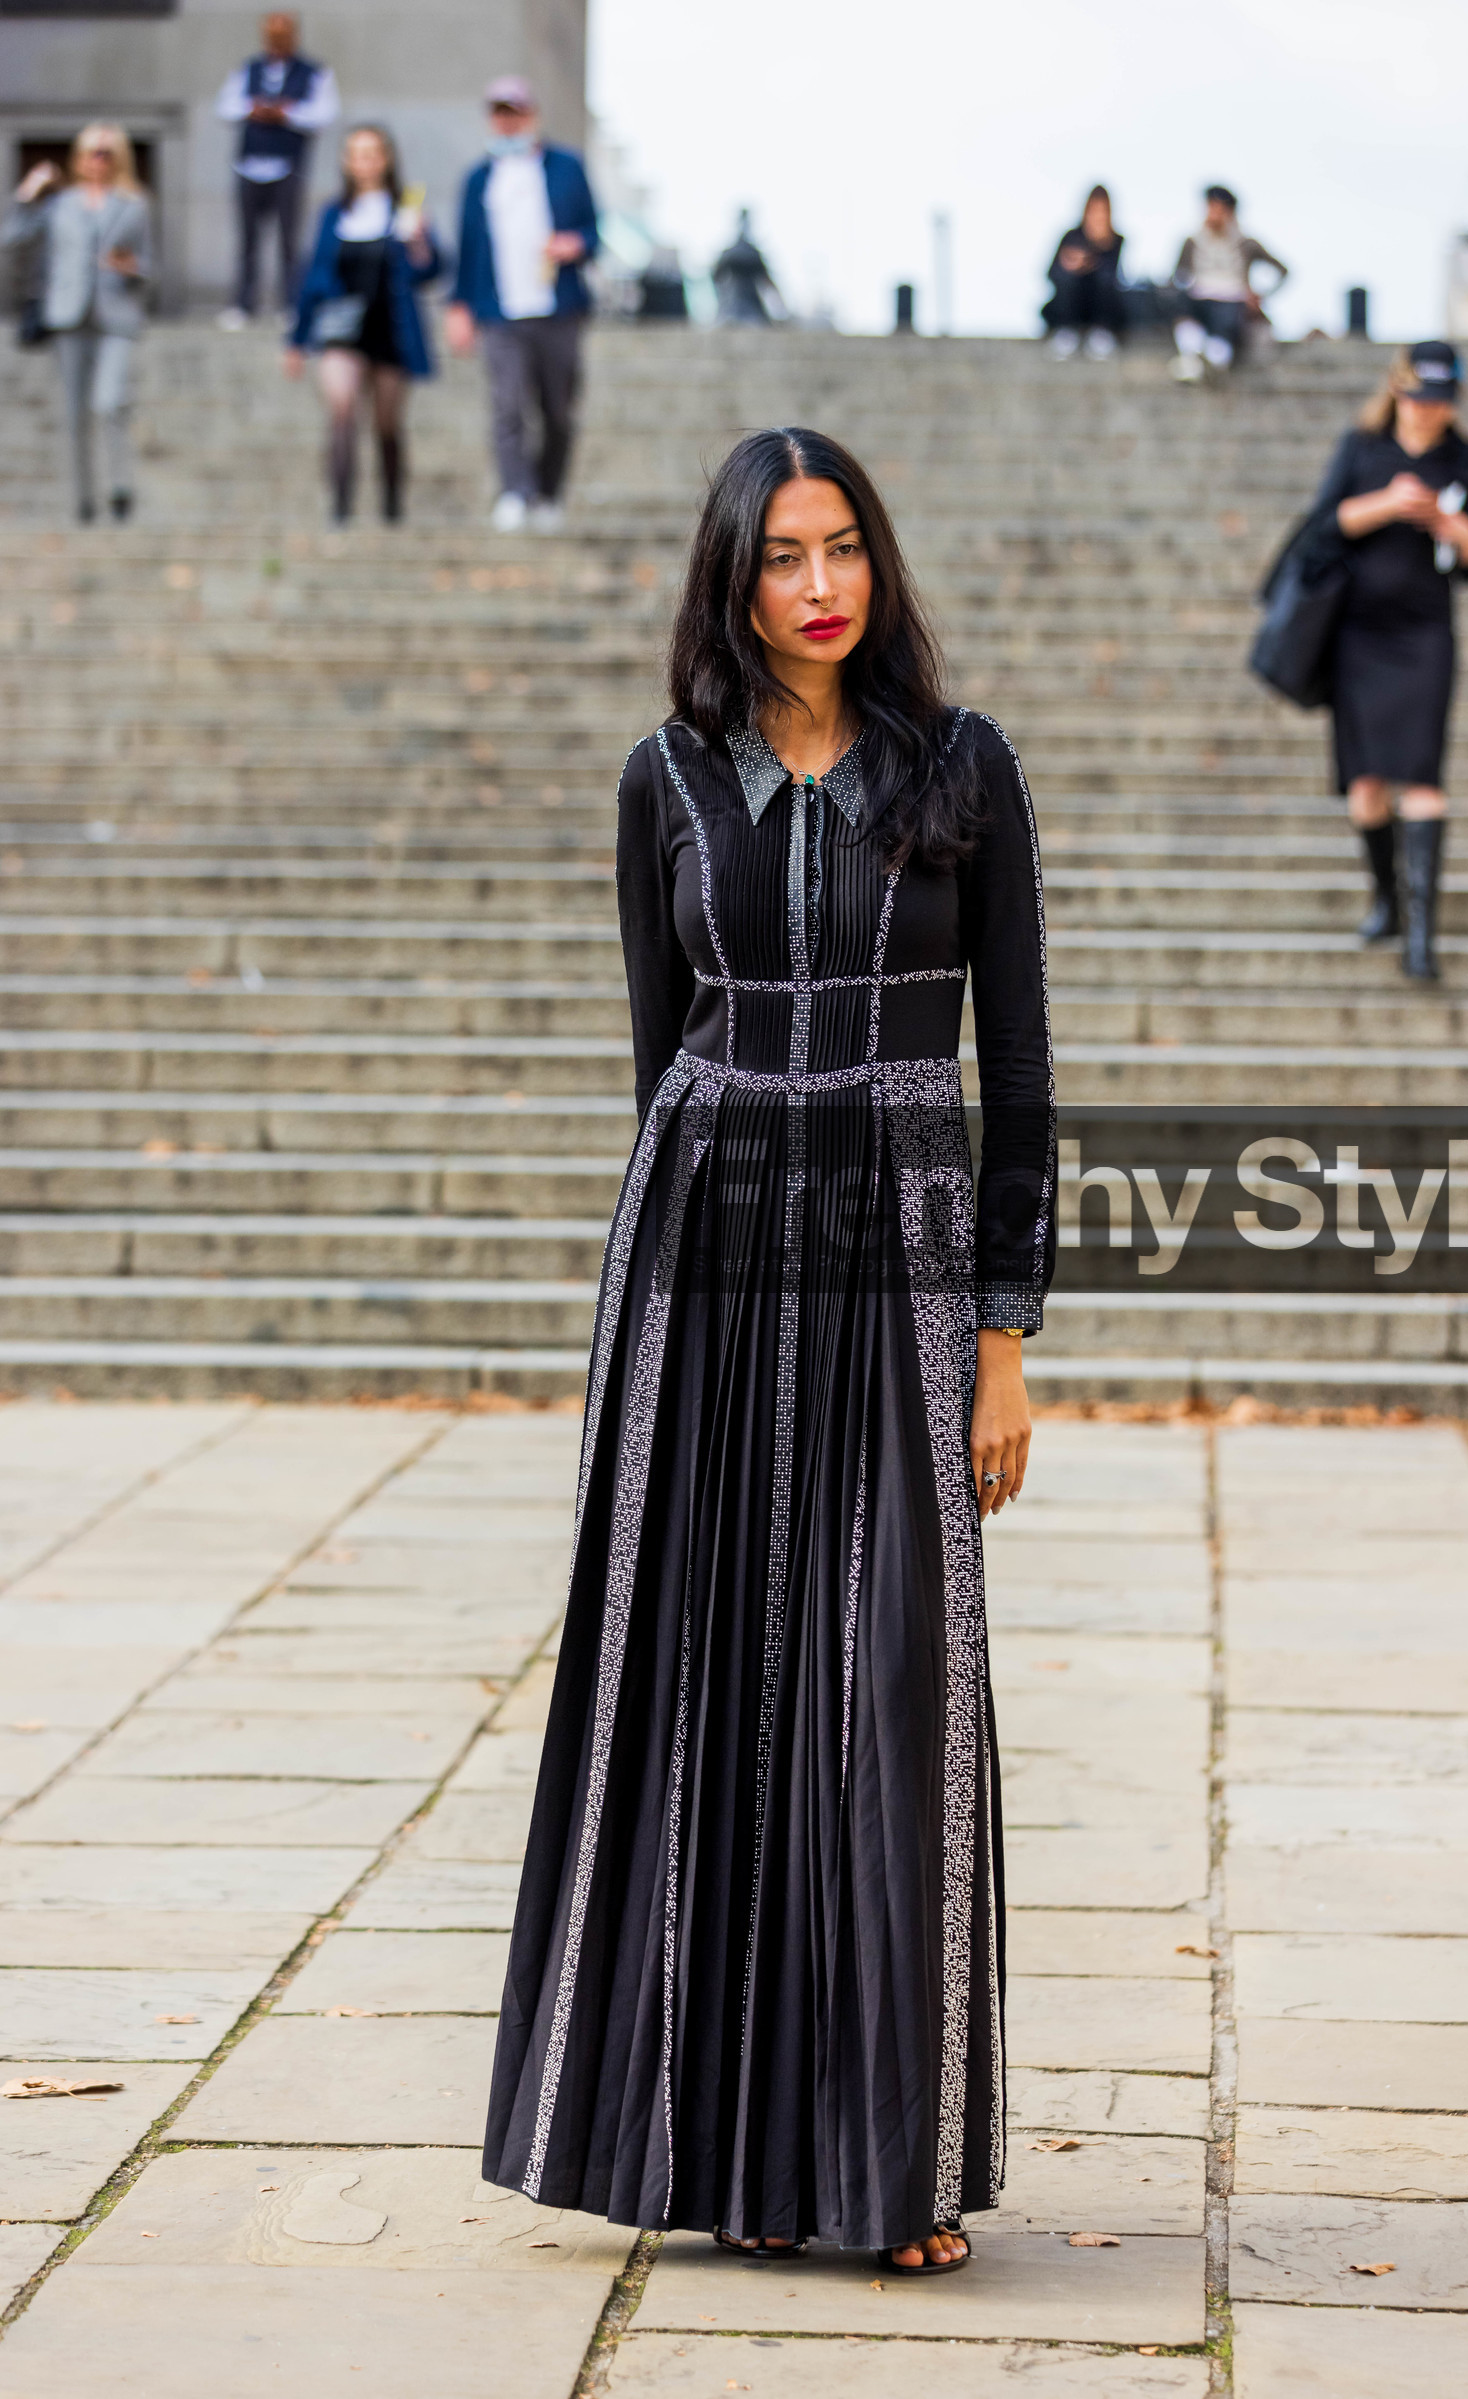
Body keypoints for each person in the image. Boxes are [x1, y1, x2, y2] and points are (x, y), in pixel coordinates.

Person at [481, 427, 1056, 2274]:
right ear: (731, 580)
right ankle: (698, 2147)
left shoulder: (965, 767)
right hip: (707, 1261)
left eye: (844, 548)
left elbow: (1019, 1070)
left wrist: (1006, 1337)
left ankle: (891, 2164)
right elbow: (660, 1050)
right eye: (784, 556)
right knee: (696, 1677)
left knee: (894, 1686)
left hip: (901, 1248)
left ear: (878, 561)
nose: (820, 586)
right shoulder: (665, 775)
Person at [1306, 343, 1468, 981]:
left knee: (1423, 780)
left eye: (1438, 401)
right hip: (1358, 634)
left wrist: (1447, 523)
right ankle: (1387, 896)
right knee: (1366, 789)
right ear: (1397, 392)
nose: (1426, 412)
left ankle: (1421, 939)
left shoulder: (1466, 459)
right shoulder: (1362, 447)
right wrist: (1389, 502)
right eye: (1417, 399)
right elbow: (1323, 526)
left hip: (1425, 634)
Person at [446, 76, 599, 535]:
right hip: (499, 313)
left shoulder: (567, 167)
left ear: (531, 115)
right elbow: (467, 248)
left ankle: (548, 494)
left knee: (558, 411)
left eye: (515, 112)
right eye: (500, 113)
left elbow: (593, 230)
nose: (508, 122)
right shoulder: (478, 179)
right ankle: (515, 491)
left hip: (558, 308)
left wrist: (575, 244)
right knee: (507, 405)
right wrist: (459, 306)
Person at [284, 125, 443, 524]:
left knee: (387, 422)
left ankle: (391, 506)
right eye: (357, 153)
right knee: (341, 409)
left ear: (386, 159)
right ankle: (340, 509)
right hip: (341, 328)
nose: (365, 162)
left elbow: (430, 271)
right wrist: (297, 339)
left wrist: (419, 242)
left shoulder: (405, 210)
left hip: (391, 327)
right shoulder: (333, 214)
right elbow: (312, 276)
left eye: (372, 153)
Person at [2, 126, 153, 523]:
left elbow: (149, 265)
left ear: (118, 158)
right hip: (69, 314)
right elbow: (12, 238)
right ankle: (83, 499)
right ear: (78, 158)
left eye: (105, 152)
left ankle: (120, 487)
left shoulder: (133, 205)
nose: (97, 160)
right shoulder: (60, 205)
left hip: (115, 315)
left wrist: (131, 266)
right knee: (74, 413)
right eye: (90, 152)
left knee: (109, 401)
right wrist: (28, 192)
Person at [215, 12, 340, 328]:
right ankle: (244, 303)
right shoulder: (248, 69)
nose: (276, 41)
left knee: (289, 240)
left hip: (288, 166)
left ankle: (290, 303)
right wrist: (253, 108)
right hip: (249, 165)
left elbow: (325, 113)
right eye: (271, 35)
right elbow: (226, 106)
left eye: (282, 35)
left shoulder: (313, 72)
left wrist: (287, 113)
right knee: (247, 240)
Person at [1171, 185, 1286, 381]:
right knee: (1182, 310)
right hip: (1199, 299)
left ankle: (1215, 360)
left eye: (1220, 209)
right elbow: (1176, 277)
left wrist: (1260, 295)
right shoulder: (1193, 242)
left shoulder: (1245, 244)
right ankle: (1193, 358)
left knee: (1225, 323)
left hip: (1232, 301)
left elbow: (1282, 270)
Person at [1042, 185, 1124, 359]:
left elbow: (1115, 278)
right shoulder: (1071, 237)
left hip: (1099, 307)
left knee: (1105, 282)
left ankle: (1101, 333)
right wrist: (1070, 265)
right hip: (1071, 304)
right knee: (1068, 280)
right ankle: (1066, 332)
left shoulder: (1116, 241)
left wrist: (1099, 253)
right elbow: (1050, 274)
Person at [712, 208, 782, 324]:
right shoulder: (738, 253)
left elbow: (716, 277)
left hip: (749, 305)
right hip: (734, 305)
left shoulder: (746, 253)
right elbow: (716, 277)